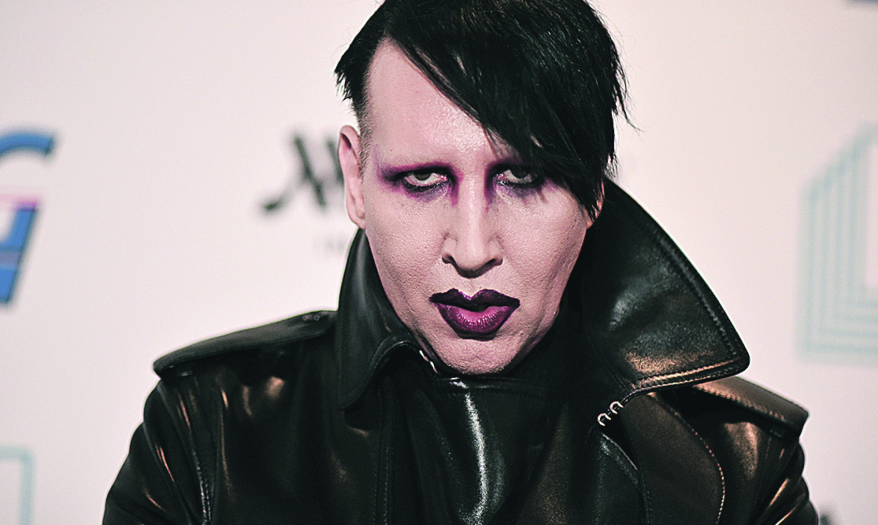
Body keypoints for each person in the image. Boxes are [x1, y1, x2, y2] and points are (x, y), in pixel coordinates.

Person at [104, 0, 817, 523]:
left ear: (596, 190)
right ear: (355, 179)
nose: (472, 250)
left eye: (523, 177)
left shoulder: (739, 463)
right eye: (422, 179)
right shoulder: (210, 430)